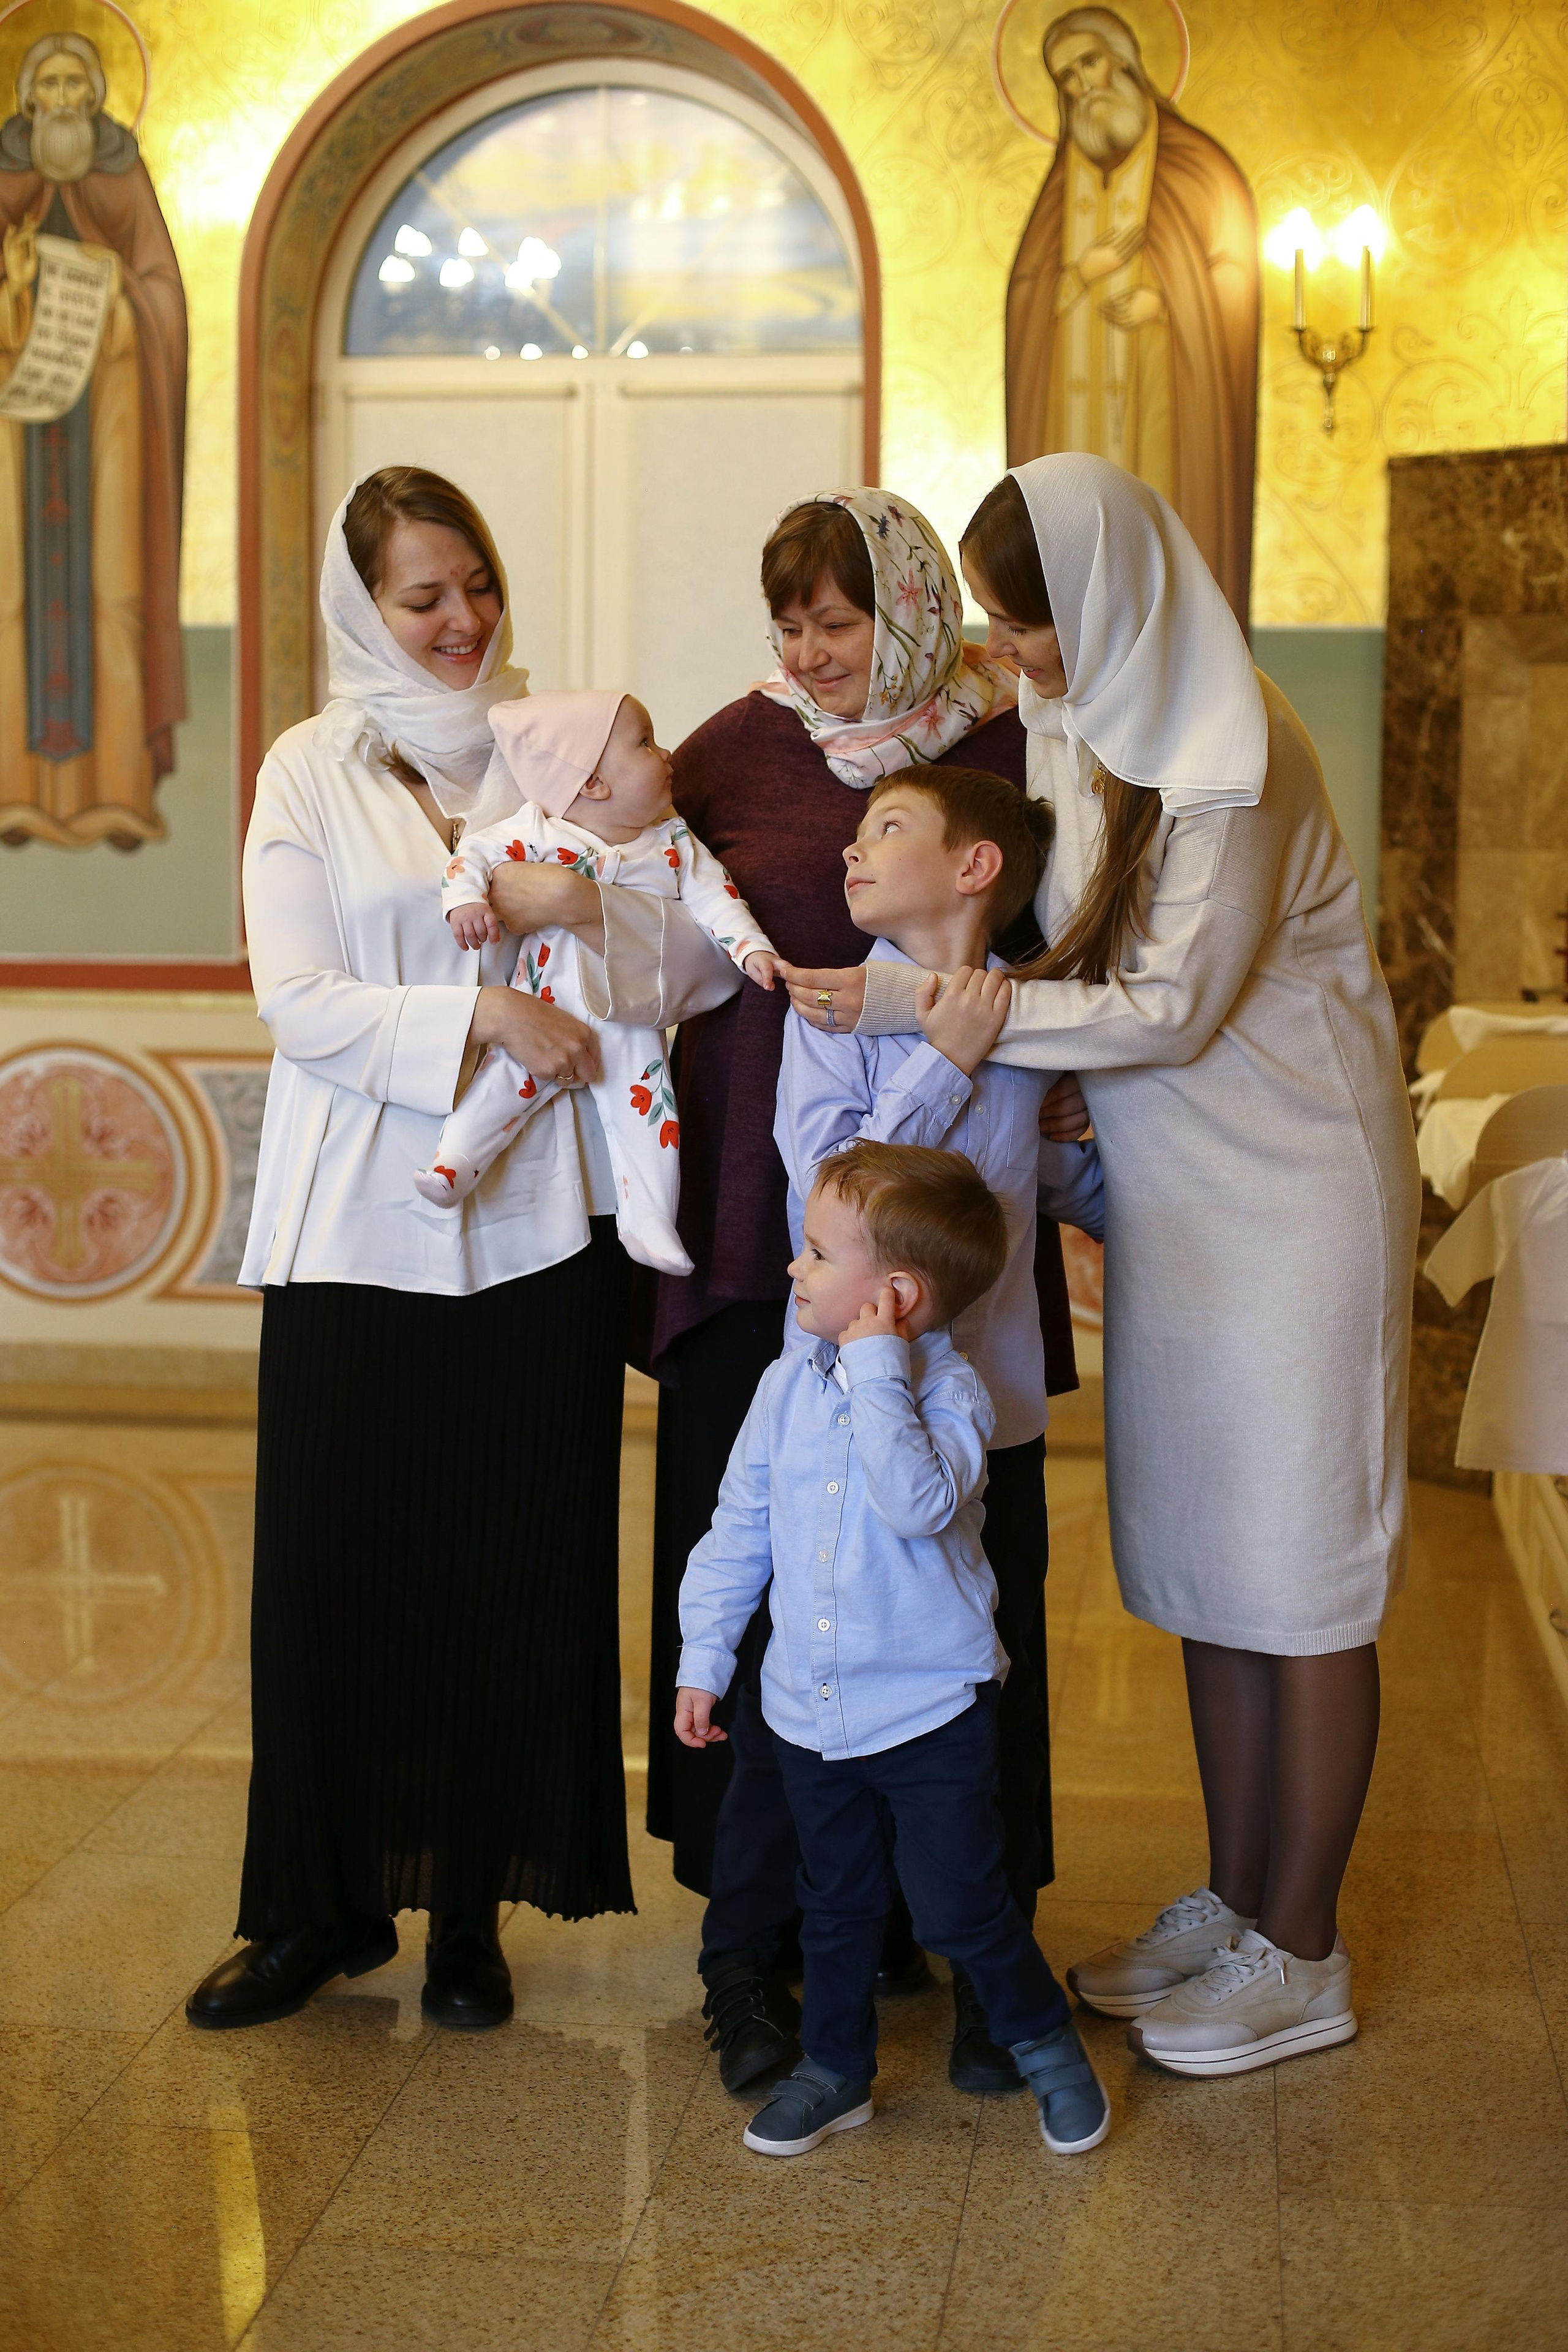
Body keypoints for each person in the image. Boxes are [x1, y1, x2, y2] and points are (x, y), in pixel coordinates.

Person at [787, 454, 1421, 2078]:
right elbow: (1074, 958)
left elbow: (1170, 1007)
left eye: (1035, 624)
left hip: (1293, 1194)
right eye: (1003, 625)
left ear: (1121, 603)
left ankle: (1307, 1946)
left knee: (1301, 1572)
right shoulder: (1091, 719)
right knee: (1211, 1563)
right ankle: (1231, 1900)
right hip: (1173, 1196)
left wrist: (898, 1006)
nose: (1017, 656)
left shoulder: (1238, 751)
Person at [186, 467, 736, 2035]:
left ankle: (473, 1915)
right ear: (363, 610)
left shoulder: (556, 746)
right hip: (355, 1232)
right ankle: (319, 1910)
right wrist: (479, 1009)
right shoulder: (311, 766)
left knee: (513, 1572)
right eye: (421, 598)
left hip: (537, 1238)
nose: (459, 621)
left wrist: (579, 910)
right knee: (334, 1580)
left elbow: (678, 958)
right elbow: (294, 998)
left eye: (474, 584)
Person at [644, 489, 1086, 2085]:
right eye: (791, 625)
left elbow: (1081, 979)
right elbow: (660, 931)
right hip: (788, 1250)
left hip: (971, 1297)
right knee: (781, 1587)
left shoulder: (1015, 746)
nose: (811, 655)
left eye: (839, 620)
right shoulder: (724, 755)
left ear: (902, 609)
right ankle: (752, 1950)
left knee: (970, 1607)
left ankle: (973, 1940)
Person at [676, 1142, 1110, 2160]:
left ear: (896, 1296)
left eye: (819, 1254)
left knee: (962, 1904)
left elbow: (916, 1503)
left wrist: (879, 1367)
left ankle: (1043, 2044)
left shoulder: (952, 1398)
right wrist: (707, 1656)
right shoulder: (784, 1390)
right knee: (834, 1909)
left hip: (927, 1715)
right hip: (809, 1712)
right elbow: (739, 1525)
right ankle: (836, 2072)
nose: (795, 1269)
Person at [772, 763, 1104, 2093]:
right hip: (849, 1419)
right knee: (856, 1669)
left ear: (975, 869)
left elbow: (1068, 1190)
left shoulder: (1035, 1014)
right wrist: (937, 1059)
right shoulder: (833, 1009)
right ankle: (873, 1937)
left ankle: (992, 1974)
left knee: (987, 1694)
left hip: (995, 1419)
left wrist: (1075, 1130)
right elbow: (830, 1189)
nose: (851, 848)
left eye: (886, 828)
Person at [419, 687, 778, 1272]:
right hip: (543, 1006)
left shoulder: (673, 842)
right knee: (502, 1084)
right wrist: (463, 903)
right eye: (645, 743)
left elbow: (719, 900)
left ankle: (651, 1223)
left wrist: (750, 948)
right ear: (592, 784)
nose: (667, 756)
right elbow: (472, 859)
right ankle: (453, 1163)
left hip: (627, 1014)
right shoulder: (541, 832)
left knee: (649, 1116)